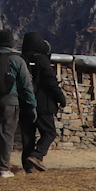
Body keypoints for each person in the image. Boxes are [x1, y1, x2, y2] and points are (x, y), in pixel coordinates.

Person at [0, 31, 36, 178]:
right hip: (10, 101)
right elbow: (26, 85)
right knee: (6, 134)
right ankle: (4, 169)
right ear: (11, 43)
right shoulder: (17, 59)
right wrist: (32, 105)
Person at [19, 34, 67, 171]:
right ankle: (37, 156)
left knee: (27, 136)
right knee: (49, 132)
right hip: (43, 104)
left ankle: (28, 166)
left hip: (24, 103)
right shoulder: (41, 59)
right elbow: (50, 81)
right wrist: (61, 98)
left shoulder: (21, 60)